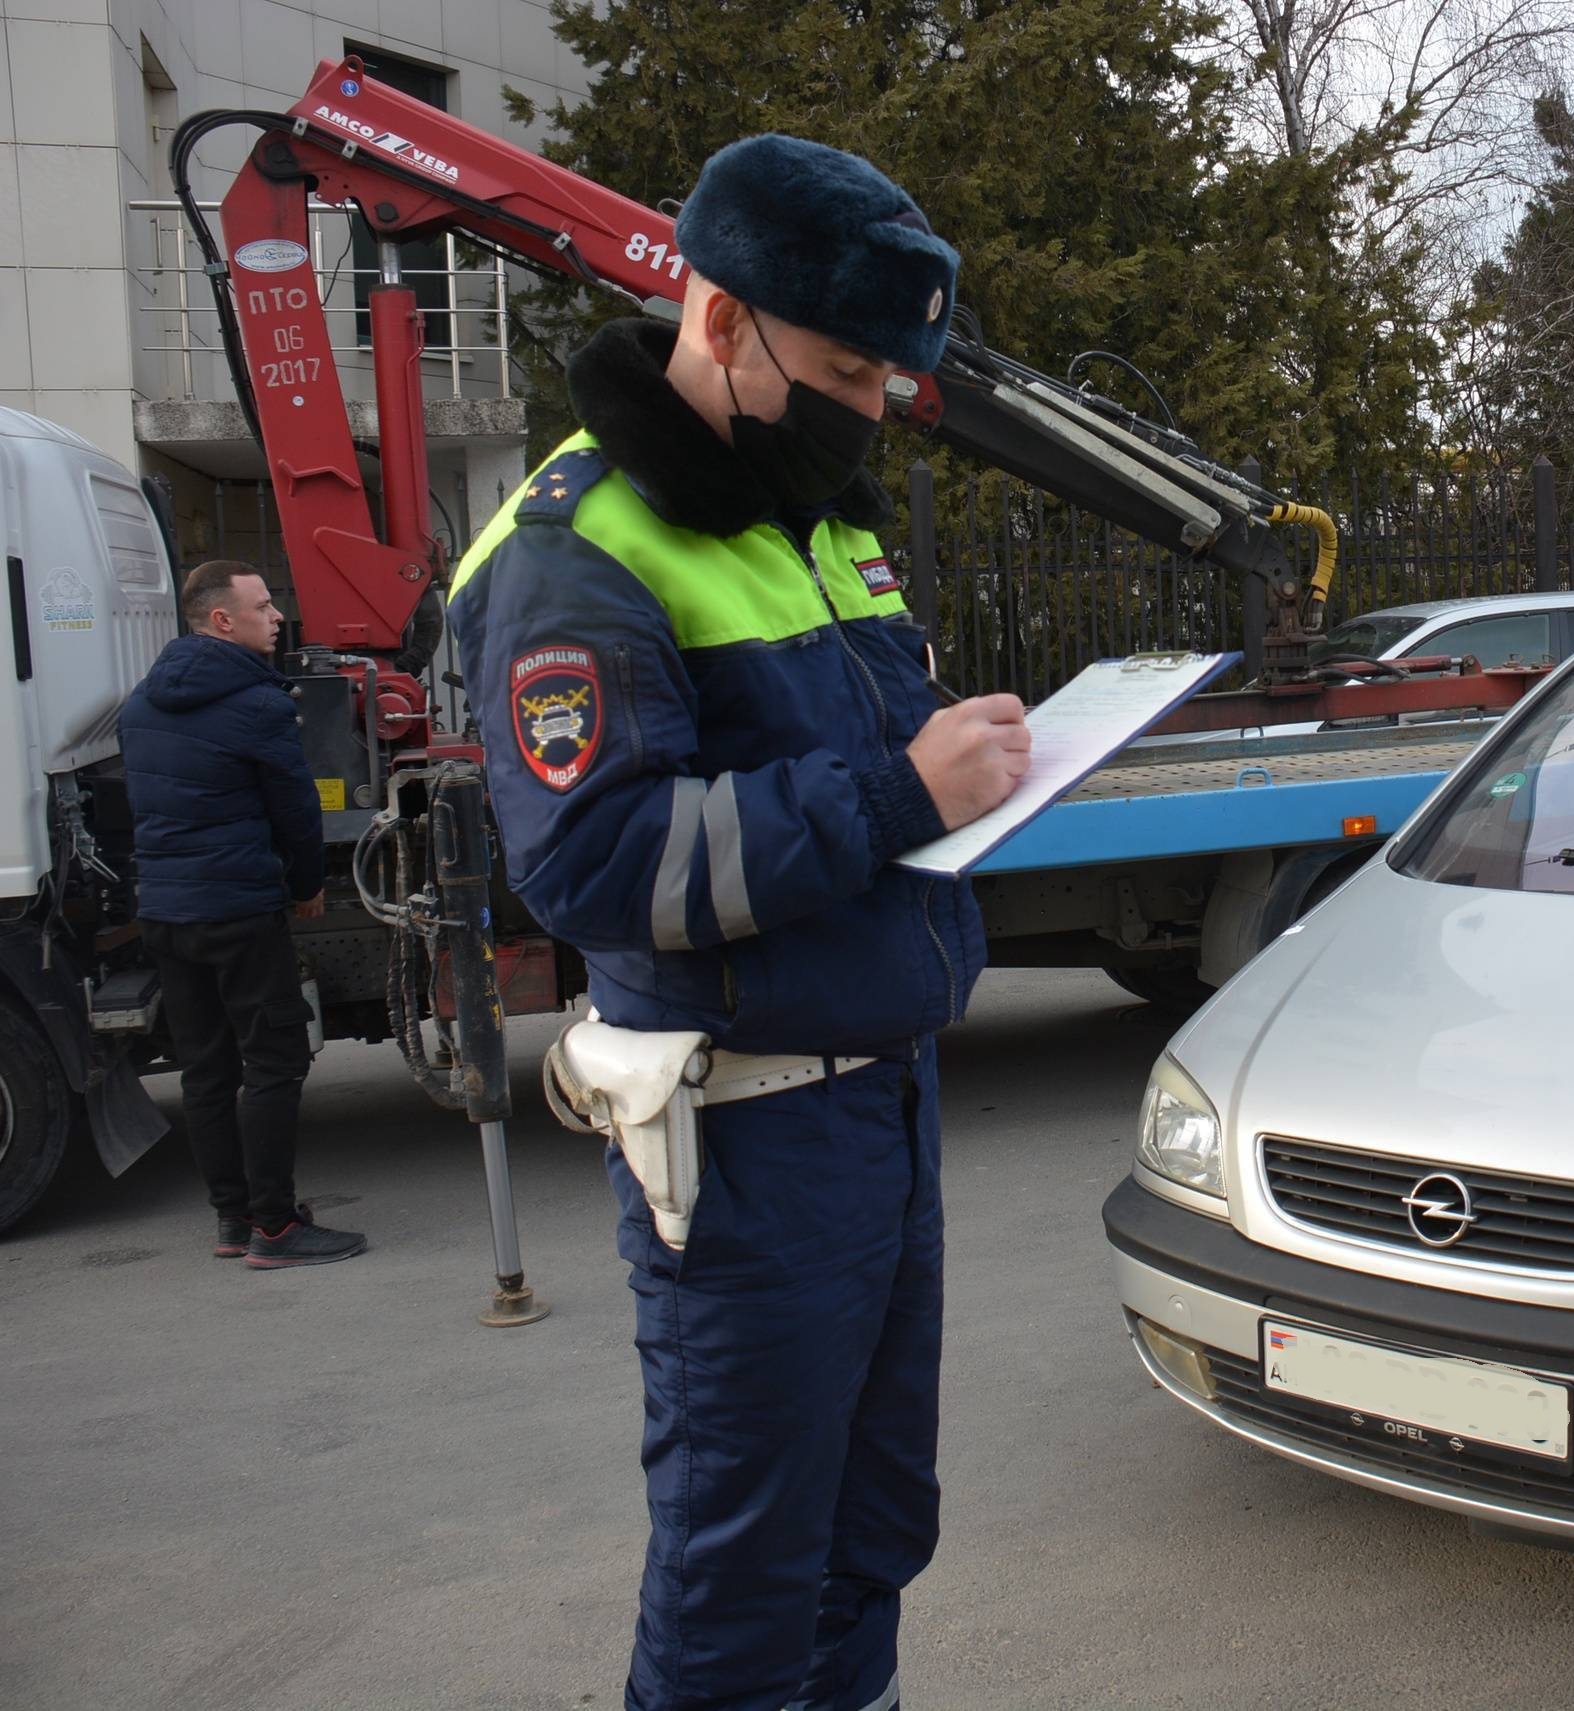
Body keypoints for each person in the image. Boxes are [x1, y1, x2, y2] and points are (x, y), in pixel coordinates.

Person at [446, 137, 1029, 1711]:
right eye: (848, 366)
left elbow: (861, 768)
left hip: (878, 1109)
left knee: (869, 1535)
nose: (876, 406)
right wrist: (901, 789)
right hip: (750, 1137)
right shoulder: (578, 552)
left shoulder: (806, 515)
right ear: (719, 321)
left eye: (892, 377)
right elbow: (596, 856)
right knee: (742, 1580)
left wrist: (962, 761)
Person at [120, 560, 366, 1269]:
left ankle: (233, 1218)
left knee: (204, 1067)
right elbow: (296, 812)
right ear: (222, 620)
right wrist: (305, 882)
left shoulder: (140, 703)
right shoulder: (259, 705)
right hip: (237, 908)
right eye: (262, 606)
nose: (277, 616)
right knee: (274, 1059)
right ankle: (278, 1228)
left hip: (166, 911)